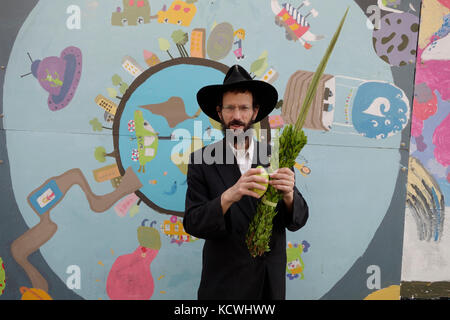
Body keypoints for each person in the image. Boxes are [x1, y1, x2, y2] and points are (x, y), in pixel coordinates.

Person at [183, 65, 309, 300]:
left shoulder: (277, 157)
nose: (237, 117)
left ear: (254, 112)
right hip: (224, 284)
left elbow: (297, 220)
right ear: (220, 113)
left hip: (267, 285)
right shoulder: (201, 161)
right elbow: (193, 222)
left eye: (243, 108)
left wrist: (290, 194)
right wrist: (229, 195)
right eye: (230, 108)